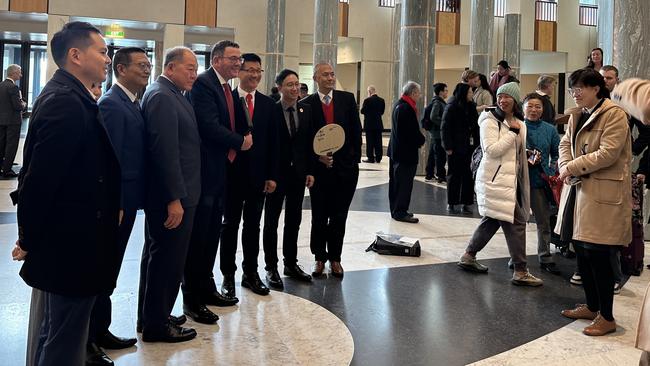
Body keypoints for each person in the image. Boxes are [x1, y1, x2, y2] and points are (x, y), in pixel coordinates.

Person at [13, 21, 121, 366]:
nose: (108, 59)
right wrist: (28, 238)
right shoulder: (66, 102)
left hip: (72, 242)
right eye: (102, 52)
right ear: (76, 55)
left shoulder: (72, 95)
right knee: (64, 339)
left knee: (57, 331)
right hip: (71, 245)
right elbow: (39, 181)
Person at [557, 68, 631, 336]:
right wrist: (565, 165)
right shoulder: (576, 115)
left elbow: (608, 153)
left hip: (603, 195)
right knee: (583, 252)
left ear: (596, 89)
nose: (575, 94)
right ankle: (591, 305)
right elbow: (564, 144)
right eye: (572, 89)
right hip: (580, 191)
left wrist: (571, 167)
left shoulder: (615, 115)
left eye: (579, 89)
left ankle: (607, 317)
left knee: (599, 254)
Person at [88, 47, 150, 366]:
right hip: (118, 204)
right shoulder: (112, 104)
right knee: (102, 269)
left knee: (110, 269)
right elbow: (109, 162)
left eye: (148, 64)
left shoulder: (133, 102)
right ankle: (90, 339)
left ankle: (102, 329)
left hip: (128, 202)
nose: (147, 69)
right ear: (120, 69)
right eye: (141, 65)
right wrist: (119, 203)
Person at [138, 46, 201, 342]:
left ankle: (152, 314)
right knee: (167, 260)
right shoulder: (162, 96)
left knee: (159, 257)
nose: (194, 74)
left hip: (177, 193)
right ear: (171, 67)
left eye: (196, 68)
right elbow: (165, 153)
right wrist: (174, 198)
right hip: (173, 197)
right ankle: (157, 324)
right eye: (189, 68)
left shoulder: (172, 94)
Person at [457, 82, 544, 287]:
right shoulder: (489, 120)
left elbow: (515, 151)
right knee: (516, 224)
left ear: (515, 100)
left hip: (512, 180)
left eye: (507, 97)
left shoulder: (518, 123)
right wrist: (511, 133)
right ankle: (521, 270)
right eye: (500, 96)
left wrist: (528, 155)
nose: (503, 100)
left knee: (493, 220)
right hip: (495, 180)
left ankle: (469, 256)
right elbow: (492, 150)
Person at [183, 40, 245, 317]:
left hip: (221, 172)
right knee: (200, 238)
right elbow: (207, 127)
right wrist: (240, 141)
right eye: (233, 58)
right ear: (217, 60)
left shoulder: (226, 87)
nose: (238, 63)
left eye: (239, 59)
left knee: (211, 236)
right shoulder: (204, 84)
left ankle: (207, 289)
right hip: (205, 173)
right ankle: (193, 299)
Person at [219, 52, 278, 297]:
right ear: (238, 72)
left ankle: (250, 273)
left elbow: (274, 143)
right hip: (231, 177)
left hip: (258, 178)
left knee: (253, 226)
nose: (254, 75)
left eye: (258, 71)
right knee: (230, 226)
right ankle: (228, 275)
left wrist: (272, 176)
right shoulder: (227, 100)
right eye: (248, 70)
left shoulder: (268, 105)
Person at [303, 63, 362, 278]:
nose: (330, 78)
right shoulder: (306, 104)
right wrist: (316, 159)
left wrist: (351, 161)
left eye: (332, 74)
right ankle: (319, 257)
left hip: (345, 171)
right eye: (325, 75)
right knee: (319, 216)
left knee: (339, 216)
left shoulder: (346, 100)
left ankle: (335, 258)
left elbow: (356, 132)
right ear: (315, 78)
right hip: (319, 172)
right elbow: (305, 140)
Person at [262, 68, 315, 289]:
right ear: (279, 87)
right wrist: (269, 175)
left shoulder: (307, 110)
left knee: (294, 220)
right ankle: (271, 267)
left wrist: (310, 170)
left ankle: (290, 263)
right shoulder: (270, 112)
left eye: (297, 85)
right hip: (277, 176)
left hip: (298, 175)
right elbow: (266, 146)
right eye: (290, 85)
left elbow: (309, 144)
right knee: (272, 222)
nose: (295, 89)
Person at [522, 93, 561, 275]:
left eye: (538, 106)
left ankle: (545, 255)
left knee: (543, 221)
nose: (534, 110)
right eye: (530, 106)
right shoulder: (516, 127)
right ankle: (517, 258)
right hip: (519, 180)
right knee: (518, 222)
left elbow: (557, 153)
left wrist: (551, 171)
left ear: (543, 109)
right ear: (523, 108)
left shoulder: (550, 129)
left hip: (541, 180)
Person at [388, 81, 425, 223]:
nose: (420, 96)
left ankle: (398, 210)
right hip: (404, 154)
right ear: (413, 93)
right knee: (403, 184)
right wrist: (421, 140)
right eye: (419, 93)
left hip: (398, 152)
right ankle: (400, 212)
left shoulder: (400, 104)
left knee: (398, 183)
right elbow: (409, 132)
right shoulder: (405, 108)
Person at [441, 83, 477, 214]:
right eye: (470, 93)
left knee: (468, 175)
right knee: (454, 175)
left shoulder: (472, 106)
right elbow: (445, 128)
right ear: (463, 93)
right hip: (455, 148)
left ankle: (466, 202)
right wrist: (448, 146)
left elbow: (475, 126)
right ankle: (452, 202)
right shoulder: (451, 106)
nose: (472, 95)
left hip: (469, 147)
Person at [0, 64, 26, 177]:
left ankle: (3, 164)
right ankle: (7, 170)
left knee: (1, 143)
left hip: (2, 120)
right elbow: (17, 106)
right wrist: (23, 104)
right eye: (19, 72)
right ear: (13, 73)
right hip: (13, 122)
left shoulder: (1, 85)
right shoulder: (13, 87)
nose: (21, 75)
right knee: (11, 145)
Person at [424, 82, 448, 183]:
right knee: (440, 155)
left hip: (435, 133)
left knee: (433, 154)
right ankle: (441, 175)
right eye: (446, 90)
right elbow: (433, 117)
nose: (447, 92)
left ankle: (429, 174)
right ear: (441, 92)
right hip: (438, 133)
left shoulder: (437, 101)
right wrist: (443, 123)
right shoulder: (438, 102)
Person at [360, 85, 385, 163]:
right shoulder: (381, 100)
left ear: (369, 92)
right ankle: (378, 158)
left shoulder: (367, 100)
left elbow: (362, 111)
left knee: (370, 142)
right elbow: (382, 112)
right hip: (378, 124)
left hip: (369, 125)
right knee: (378, 141)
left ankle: (370, 158)